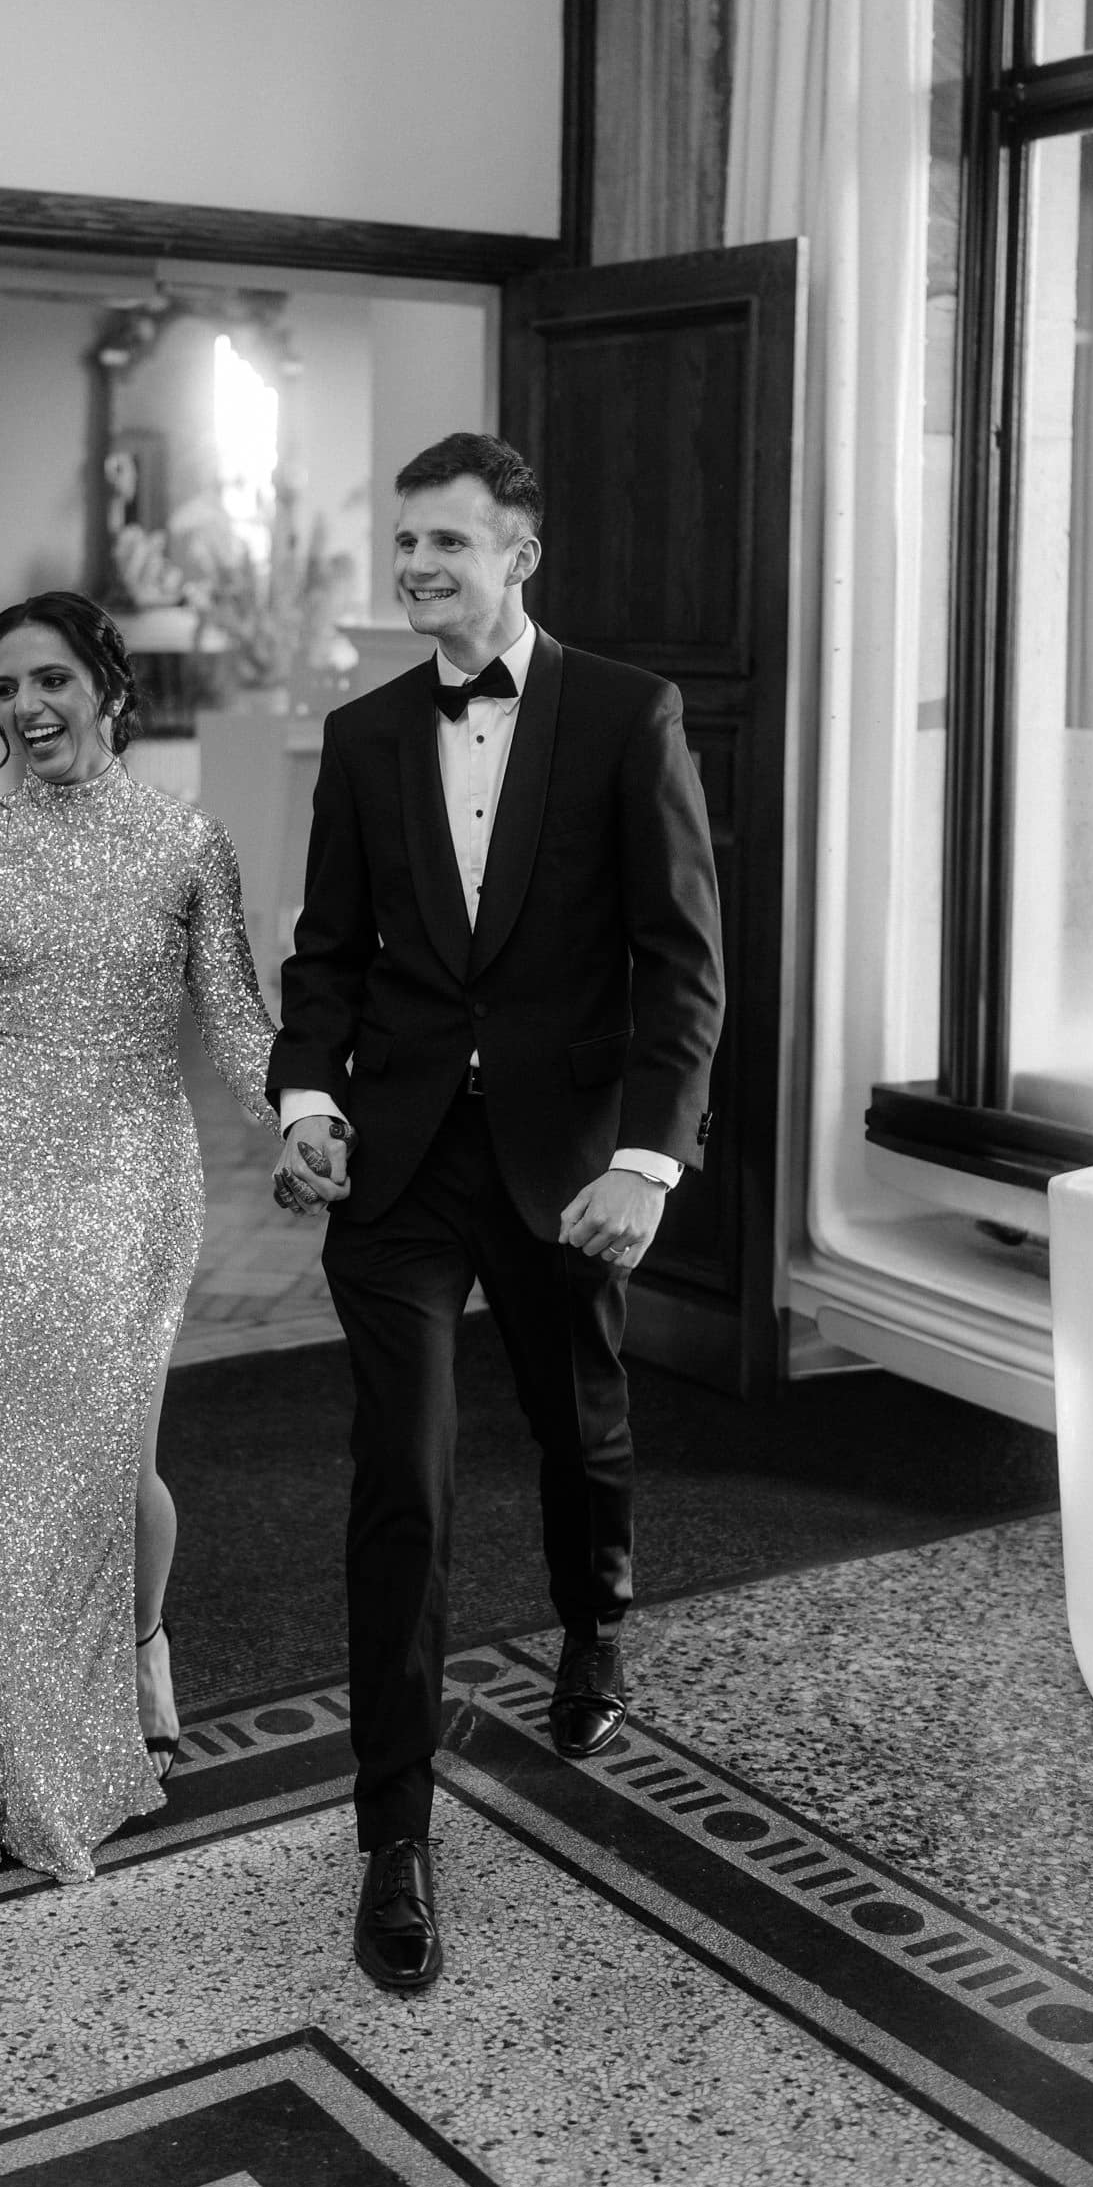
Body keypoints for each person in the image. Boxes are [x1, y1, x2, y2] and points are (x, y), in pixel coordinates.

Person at [268, 433, 724, 1992]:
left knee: (575, 1420)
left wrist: (647, 1162)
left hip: (562, 1157)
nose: (416, 566)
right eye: (404, 542)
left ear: (519, 556)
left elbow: (682, 962)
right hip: (400, 1163)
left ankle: (595, 1619)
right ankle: (394, 1831)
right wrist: (307, 1100)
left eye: (447, 543)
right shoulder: (365, 735)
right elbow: (328, 956)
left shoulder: (626, 713)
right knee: (400, 1476)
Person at [0, 591, 275, 1885]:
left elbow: (239, 1028)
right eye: (4, 688)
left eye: (50, 680)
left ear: (108, 687)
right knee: (5, 1485)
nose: (26, 708)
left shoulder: (190, 848)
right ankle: (29, 1767)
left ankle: (138, 1659)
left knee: (111, 1472)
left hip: (135, 1190)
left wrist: (311, 1124)